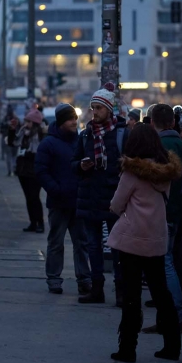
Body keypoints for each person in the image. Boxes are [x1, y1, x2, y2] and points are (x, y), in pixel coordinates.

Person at [107, 124, 182, 363]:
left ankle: (127, 348)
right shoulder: (166, 172)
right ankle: (172, 345)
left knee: (131, 294)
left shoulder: (132, 172)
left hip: (132, 240)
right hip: (157, 237)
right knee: (161, 292)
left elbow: (116, 204)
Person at [139, 104, 182, 334]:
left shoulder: (158, 146)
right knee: (177, 262)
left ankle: (172, 317)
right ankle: (172, 316)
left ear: (152, 123)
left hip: (163, 213)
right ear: (173, 122)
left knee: (166, 263)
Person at [73, 83, 128, 305]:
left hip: (115, 198)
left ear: (109, 109)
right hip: (91, 197)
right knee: (93, 246)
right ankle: (97, 290)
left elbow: (131, 165)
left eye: (99, 108)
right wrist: (81, 166)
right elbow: (73, 162)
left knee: (117, 246)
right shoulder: (86, 135)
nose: (94, 112)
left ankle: (121, 291)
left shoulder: (121, 134)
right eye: (92, 108)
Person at [35, 103, 91, 294]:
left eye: (75, 118)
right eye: (70, 119)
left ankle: (84, 279)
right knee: (56, 243)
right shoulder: (48, 144)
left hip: (78, 201)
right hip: (59, 203)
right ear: (60, 122)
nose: (74, 122)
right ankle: (54, 279)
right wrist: (55, 189)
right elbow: (41, 171)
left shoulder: (82, 140)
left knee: (82, 243)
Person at [15, 108, 45, 232]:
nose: (26, 124)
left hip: (34, 171)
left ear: (35, 123)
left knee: (34, 197)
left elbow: (40, 153)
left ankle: (40, 224)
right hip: (23, 170)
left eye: (28, 121)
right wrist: (12, 130)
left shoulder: (40, 135)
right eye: (26, 121)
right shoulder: (23, 132)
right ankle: (32, 223)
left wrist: (27, 154)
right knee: (28, 197)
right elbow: (13, 142)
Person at [1, 105, 21, 177]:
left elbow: (1, 129)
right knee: (14, 156)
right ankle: (14, 169)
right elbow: (20, 128)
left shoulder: (5, 119)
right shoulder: (16, 119)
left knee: (9, 156)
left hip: (7, 139)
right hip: (15, 139)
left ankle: (10, 171)